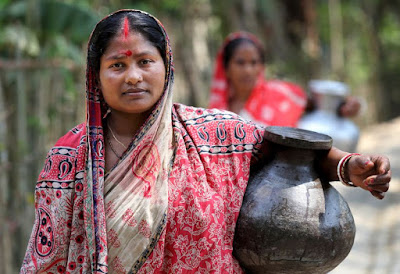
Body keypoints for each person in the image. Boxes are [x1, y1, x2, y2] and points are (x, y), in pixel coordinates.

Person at [20, 9, 391, 273]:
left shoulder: (215, 133)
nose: (133, 76)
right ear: (96, 77)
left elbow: (288, 151)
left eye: (145, 62)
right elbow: (47, 258)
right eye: (117, 65)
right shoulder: (70, 157)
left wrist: (348, 166)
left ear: (166, 66)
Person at [209, 31, 361, 127]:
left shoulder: (281, 96)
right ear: (226, 69)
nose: (248, 70)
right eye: (240, 62)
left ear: (261, 67)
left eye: (254, 63)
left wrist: (346, 107)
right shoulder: (216, 113)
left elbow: (320, 106)